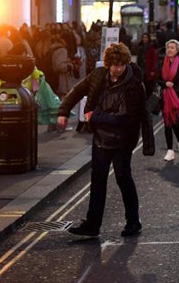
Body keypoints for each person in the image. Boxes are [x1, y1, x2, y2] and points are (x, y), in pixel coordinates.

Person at [58, 43, 155, 237]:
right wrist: (63, 111)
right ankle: (93, 225)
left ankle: (133, 222)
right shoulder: (98, 76)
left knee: (123, 178)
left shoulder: (134, 85)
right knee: (97, 181)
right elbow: (78, 90)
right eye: (114, 65)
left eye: (121, 65)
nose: (117, 69)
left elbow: (126, 118)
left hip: (123, 140)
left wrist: (95, 117)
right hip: (101, 139)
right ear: (108, 64)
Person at [136, 32, 159, 100]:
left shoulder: (151, 48)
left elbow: (154, 60)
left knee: (149, 85)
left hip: (148, 69)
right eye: (143, 37)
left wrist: (152, 70)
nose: (144, 39)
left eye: (146, 37)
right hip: (142, 68)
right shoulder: (140, 47)